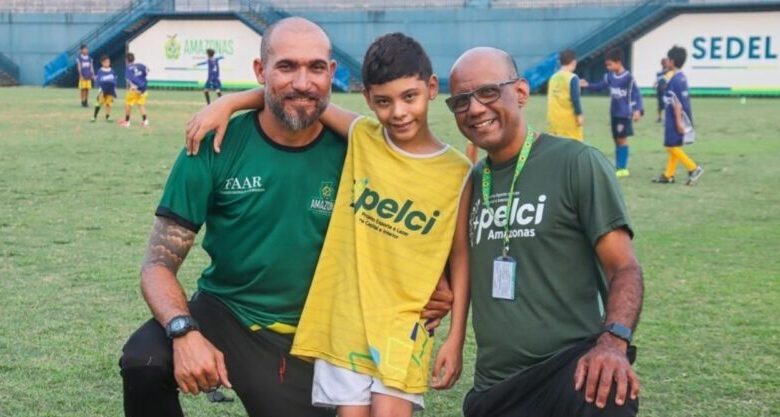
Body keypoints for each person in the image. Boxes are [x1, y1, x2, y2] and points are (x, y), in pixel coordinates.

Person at [119, 17, 450, 417]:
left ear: (331, 74)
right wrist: (183, 332)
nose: (302, 82)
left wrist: (440, 283)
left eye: (315, 68)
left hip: (317, 334)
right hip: (226, 312)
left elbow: (429, 208)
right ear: (260, 72)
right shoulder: (214, 144)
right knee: (144, 361)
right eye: (286, 66)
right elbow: (156, 265)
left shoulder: (360, 150)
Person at [448, 47, 644, 417]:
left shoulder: (576, 163)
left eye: (488, 91)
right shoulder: (473, 182)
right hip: (497, 387)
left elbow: (625, 268)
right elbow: (458, 272)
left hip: (572, 372)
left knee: (608, 394)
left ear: (521, 92)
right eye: (461, 101)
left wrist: (613, 342)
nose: (474, 109)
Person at [581, 48, 643, 178]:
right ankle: (618, 166)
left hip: (624, 114)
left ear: (618, 62)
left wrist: (638, 110)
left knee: (622, 139)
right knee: (616, 139)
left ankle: (623, 168)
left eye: (610, 64)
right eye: (607, 65)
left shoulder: (628, 78)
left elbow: (636, 94)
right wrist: (587, 85)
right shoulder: (610, 77)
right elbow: (600, 86)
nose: (608, 67)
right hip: (614, 113)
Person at [652, 46, 704, 185]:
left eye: (668, 59)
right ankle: (668, 175)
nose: (666, 61)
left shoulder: (675, 80)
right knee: (674, 145)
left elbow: (677, 103)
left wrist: (679, 122)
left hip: (675, 118)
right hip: (679, 117)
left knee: (670, 146)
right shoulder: (681, 77)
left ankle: (693, 168)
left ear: (672, 61)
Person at [547, 48, 584, 141]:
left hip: (554, 121)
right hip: (569, 121)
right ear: (574, 62)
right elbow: (575, 98)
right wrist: (579, 115)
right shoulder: (572, 78)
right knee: (575, 147)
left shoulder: (553, 78)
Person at [120, 53, 149, 128]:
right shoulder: (140, 65)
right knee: (140, 105)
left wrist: (136, 88)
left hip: (135, 89)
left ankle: (127, 122)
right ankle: (145, 121)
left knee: (128, 104)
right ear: (133, 59)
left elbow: (129, 79)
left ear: (126, 60)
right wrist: (142, 79)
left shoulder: (128, 69)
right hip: (144, 88)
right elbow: (147, 70)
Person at [92, 55, 117, 122]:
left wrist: (114, 89)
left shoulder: (112, 70)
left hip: (110, 90)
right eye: (105, 62)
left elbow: (114, 80)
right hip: (102, 90)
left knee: (108, 104)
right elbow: (99, 80)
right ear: (102, 63)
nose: (107, 63)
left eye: (108, 62)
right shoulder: (100, 71)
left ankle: (107, 116)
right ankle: (94, 116)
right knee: (99, 103)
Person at [654, 57, 671, 123]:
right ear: (662, 64)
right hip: (659, 90)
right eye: (664, 63)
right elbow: (659, 80)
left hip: (666, 90)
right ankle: (659, 118)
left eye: (666, 63)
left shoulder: (670, 72)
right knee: (659, 105)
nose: (665, 64)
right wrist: (655, 83)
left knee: (666, 104)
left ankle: (666, 118)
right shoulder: (659, 72)